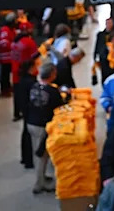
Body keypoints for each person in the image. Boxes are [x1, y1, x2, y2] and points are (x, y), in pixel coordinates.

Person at [26, 63, 68, 194]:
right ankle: (39, 184)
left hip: (31, 123)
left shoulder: (34, 86)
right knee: (42, 155)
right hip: (43, 126)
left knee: (36, 152)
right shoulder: (52, 91)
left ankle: (41, 177)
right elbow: (59, 108)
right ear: (52, 74)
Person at [13, 60, 37, 168]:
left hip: (25, 109)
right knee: (29, 135)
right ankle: (29, 160)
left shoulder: (22, 80)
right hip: (30, 111)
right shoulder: (31, 82)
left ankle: (25, 158)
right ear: (31, 68)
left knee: (25, 133)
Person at [94, 17, 114, 84]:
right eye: (108, 23)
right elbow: (97, 45)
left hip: (113, 59)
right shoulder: (101, 35)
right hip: (103, 58)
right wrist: (95, 56)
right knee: (104, 74)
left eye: (110, 23)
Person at [0, 14, 17, 97]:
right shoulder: (5, 30)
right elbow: (3, 43)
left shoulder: (11, 29)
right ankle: (4, 90)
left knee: (8, 73)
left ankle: (8, 87)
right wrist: (14, 45)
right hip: (5, 56)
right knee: (4, 74)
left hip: (10, 56)